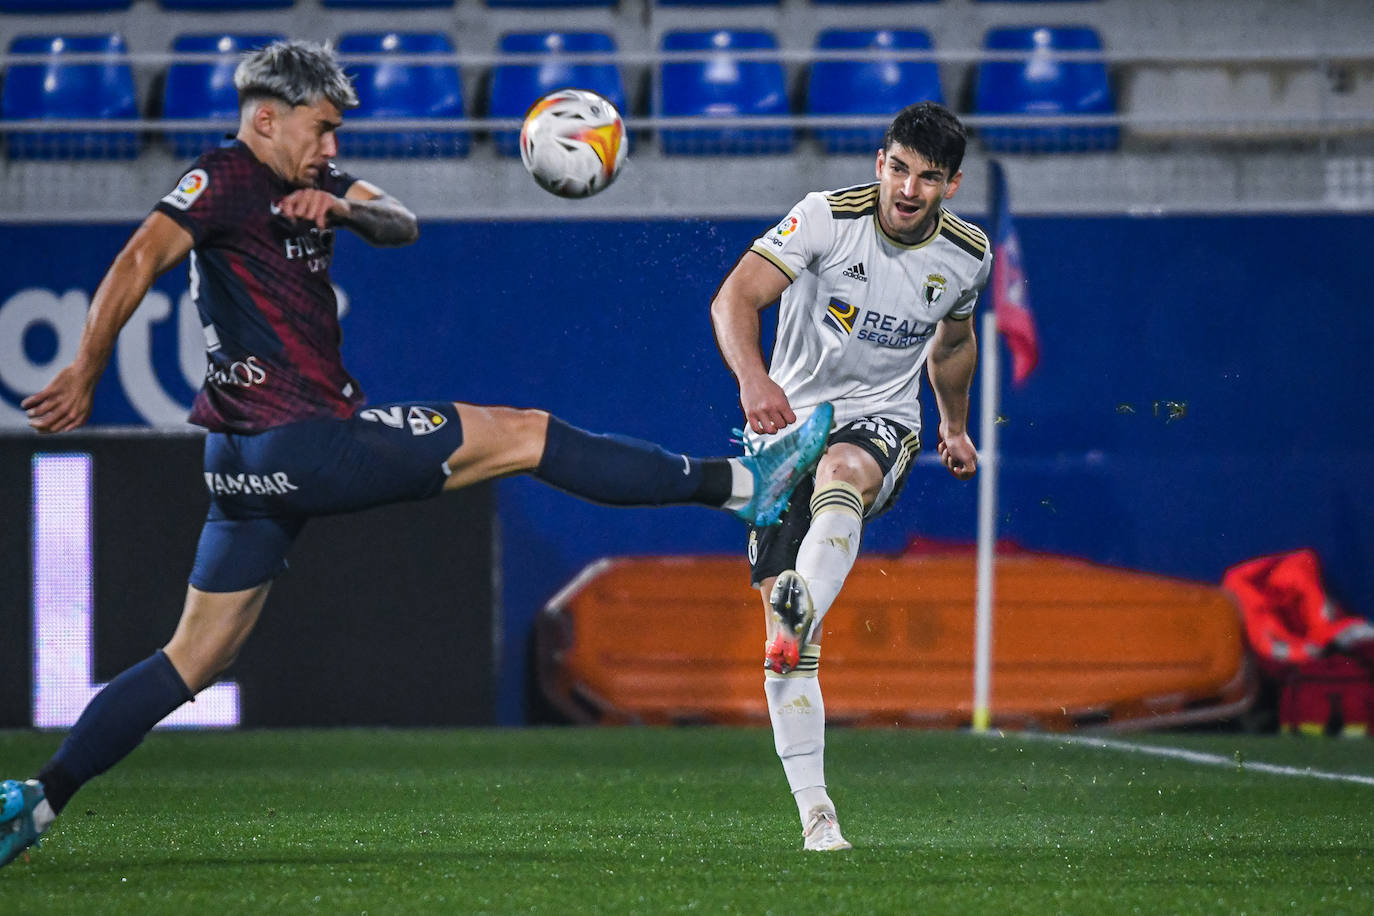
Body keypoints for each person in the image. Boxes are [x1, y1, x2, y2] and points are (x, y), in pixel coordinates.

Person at [0, 40, 833, 868]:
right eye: (320, 129)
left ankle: (37, 800)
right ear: (265, 119)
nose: (331, 147)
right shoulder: (222, 181)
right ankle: (741, 488)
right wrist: (84, 368)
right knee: (526, 434)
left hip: (239, 465)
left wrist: (344, 209)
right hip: (304, 441)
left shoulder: (314, 183)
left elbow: (399, 222)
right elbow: (140, 256)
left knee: (194, 657)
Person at [710, 101, 988, 852]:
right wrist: (753, 380)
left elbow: (954, 345)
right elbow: (734, 296)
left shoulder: (966, 254)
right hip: (780, 432)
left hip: (881, 422)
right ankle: (817, 817)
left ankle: (806, 597)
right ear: (879, 163)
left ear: (951, 186)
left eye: (927, 178)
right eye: (898, 168)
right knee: (787, 645)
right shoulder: (823, 219)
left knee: (843, 468)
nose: (908, 188)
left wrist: (954, 428)